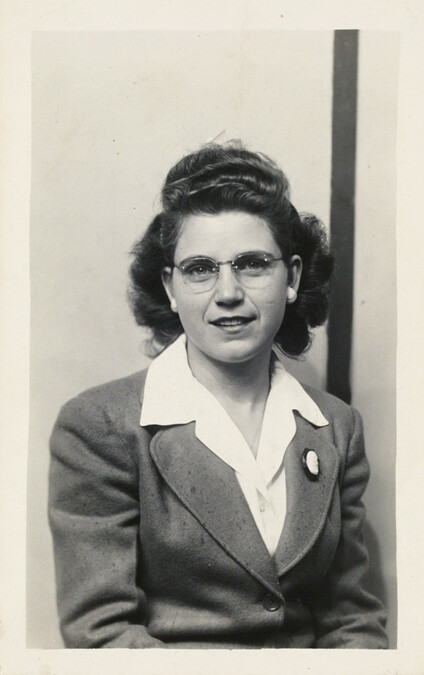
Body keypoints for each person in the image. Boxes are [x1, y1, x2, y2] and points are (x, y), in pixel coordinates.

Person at [48, 142, 388, 649]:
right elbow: (103, 634)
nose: (227, 292)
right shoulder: (99, 426)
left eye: (252, 264)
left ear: (292, 277)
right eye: (200, 268)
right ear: (170, 286)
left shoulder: (337, 427)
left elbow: (353, 622)